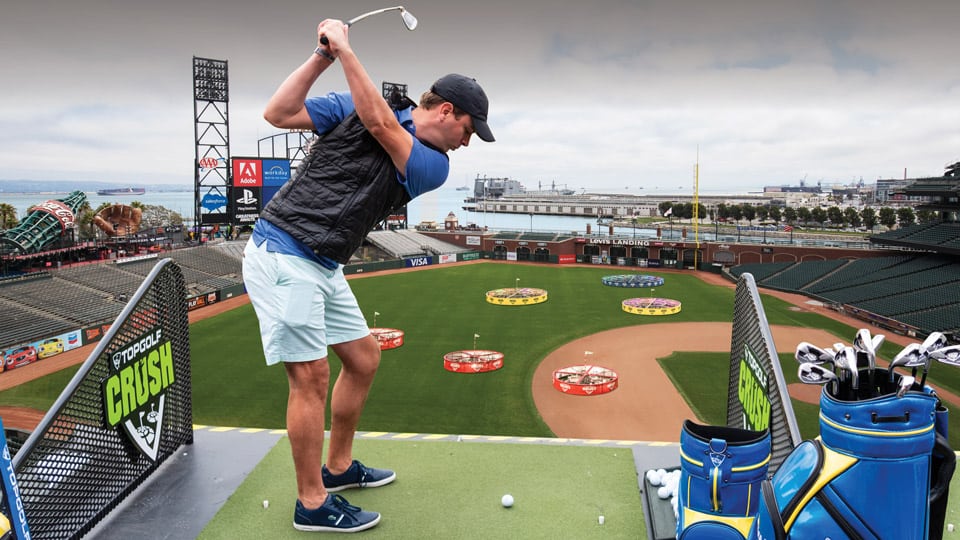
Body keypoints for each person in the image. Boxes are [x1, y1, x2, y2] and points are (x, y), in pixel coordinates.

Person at [242, 18, 494, 533]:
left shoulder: (433, 164)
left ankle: (336, 470)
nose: (466, 144)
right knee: (309, 378)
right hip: (284, 252)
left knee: (363, 357)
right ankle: (311, 504)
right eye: (468, 131)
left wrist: (348, 50)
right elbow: (278, 112)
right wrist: (324, 56)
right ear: (447, 111)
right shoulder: (348, 108)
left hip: (322, 262)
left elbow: (380, 124)